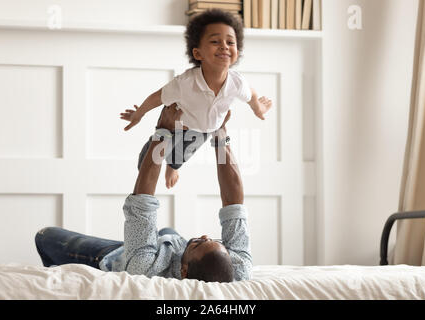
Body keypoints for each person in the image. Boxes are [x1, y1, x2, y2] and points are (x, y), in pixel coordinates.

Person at [35, 105, 252, 282]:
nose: (204, 235)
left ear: (184, 272)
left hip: (122, 257)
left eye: (199, 243)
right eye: (213, 239)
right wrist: (221, 137)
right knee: (167, 233)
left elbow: (142, 202)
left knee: (45, 236)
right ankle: (151, 241)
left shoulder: (147, 270)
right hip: (169, 245)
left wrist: (162, 132)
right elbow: (234, 205)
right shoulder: (238, 268)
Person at [120, 9, 272, 189]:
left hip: (205, 129)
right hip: (177, 123)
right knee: (154, 154)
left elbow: (251, 95)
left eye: (230, 42)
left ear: (237, 52)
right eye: (215, 41)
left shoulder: (237, 83)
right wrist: (138, 114)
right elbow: (157, 97)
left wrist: (258, 109)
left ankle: (173, 167)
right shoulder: (186, 83)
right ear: (198, 54)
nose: (224, 46)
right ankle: (146, 167)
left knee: (183, 154)